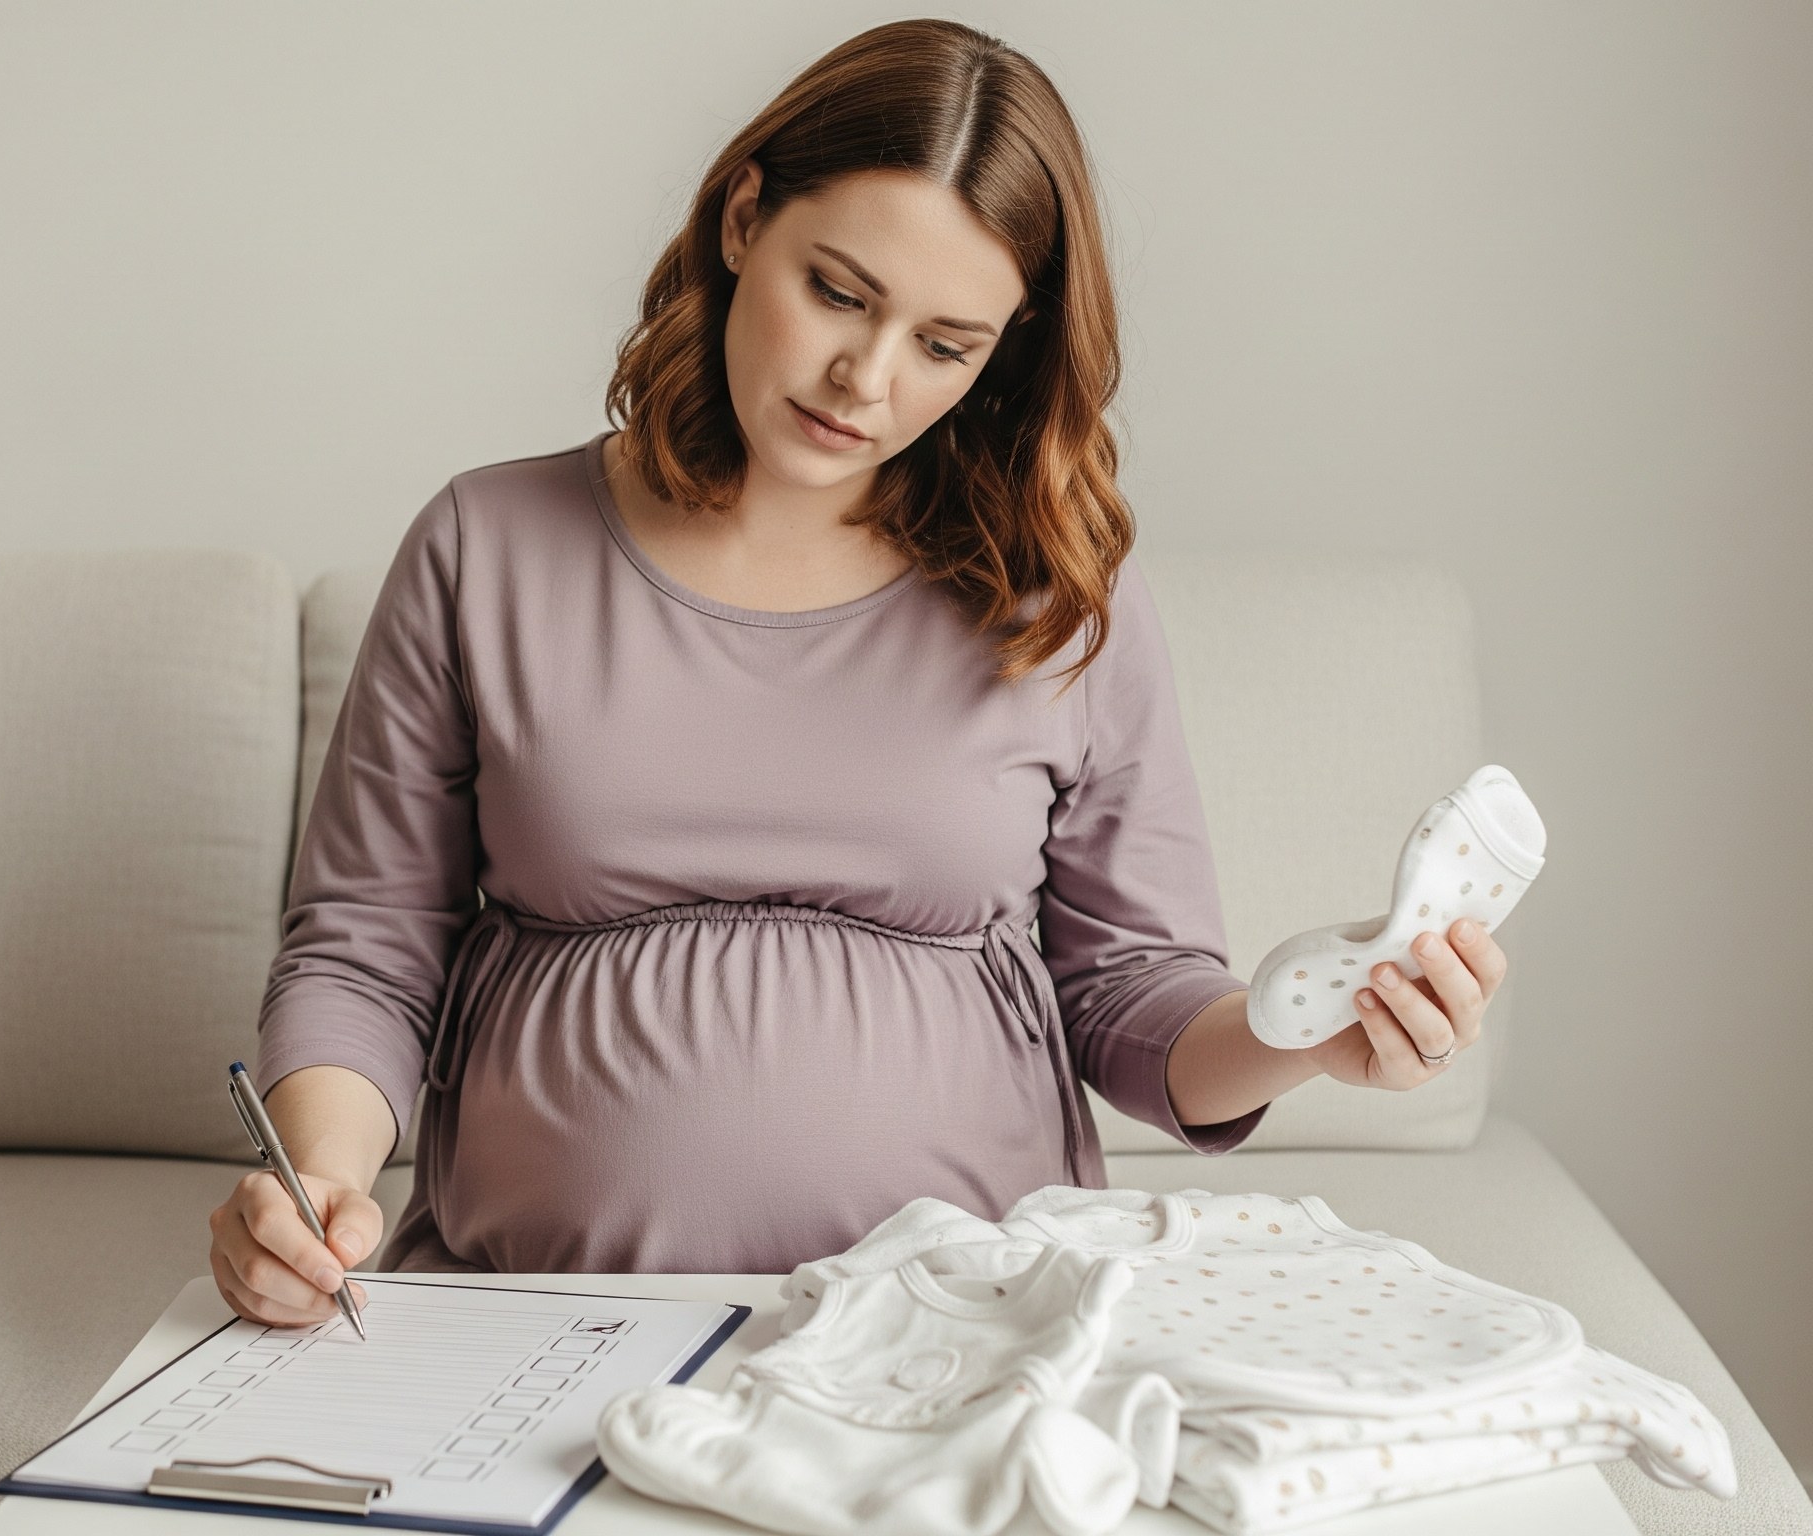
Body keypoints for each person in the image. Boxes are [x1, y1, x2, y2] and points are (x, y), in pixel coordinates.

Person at [208, 18, 1508, 1328]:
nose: (864, 380)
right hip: (533, 1318)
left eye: (945, 345)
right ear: (743, 219)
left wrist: (1311, 1031)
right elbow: (366, 951)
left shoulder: (1061, 596)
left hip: (964, 1331)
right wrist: (318, 1186)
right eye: (837, 292)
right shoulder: (485, 544)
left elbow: (1130, 997)